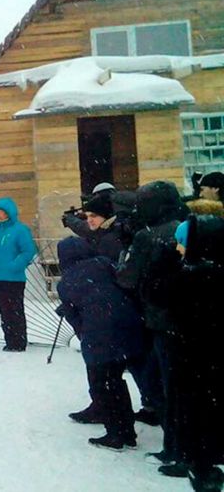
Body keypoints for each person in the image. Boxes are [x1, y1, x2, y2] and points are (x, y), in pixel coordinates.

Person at [116, 181, 189, 474]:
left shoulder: (149, 236)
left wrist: (127, 249)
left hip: (160, 317)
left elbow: (127, 277)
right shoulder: (185, 226)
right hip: (190, 316)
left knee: (165, 383)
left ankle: (176, 446)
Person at [149, 217, 224, 491]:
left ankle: (202, 473)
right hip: (205, 366)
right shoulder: (208, 272)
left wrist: (163, 260)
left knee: (198, 425)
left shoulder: (192, 277)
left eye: (182, 243)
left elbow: (154, 292)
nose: (178, 248)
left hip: (195, 366)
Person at [56, 237, 143, 450]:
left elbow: (76, 320)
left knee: (103, 383)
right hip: (130, 325)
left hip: (101, 335)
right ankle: (127, 433)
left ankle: (116, 435)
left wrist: (85, 335)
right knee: (116, 380)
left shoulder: (66, 282)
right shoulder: (105, 263)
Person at [0, 198, 37, 352]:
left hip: (13, 278)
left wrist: (15, 265)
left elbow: (28, 251)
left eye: (0, 212)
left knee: (15, 309)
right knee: (4, 309)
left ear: (8, 213)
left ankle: (19, 342)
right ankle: (9, 340)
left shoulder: (20, 229)